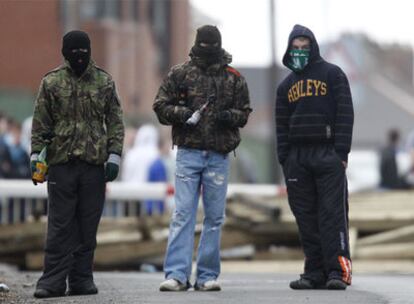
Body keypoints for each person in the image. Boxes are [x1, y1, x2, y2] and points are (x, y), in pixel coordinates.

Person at [153, 25, 251, 291]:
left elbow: (244, 112)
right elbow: (160, 106)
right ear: (197, 44)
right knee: (183, 213)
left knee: (214, 217)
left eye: (212, 45)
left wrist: (229, 117)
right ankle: (177, 274)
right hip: (189, 153)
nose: (208, 49)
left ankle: (207, 275)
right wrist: (183, 114)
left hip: (218, 155)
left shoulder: (233, 78)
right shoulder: (180, 74)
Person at [30, 30, 124, 298]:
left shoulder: (105, 82)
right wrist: (36, 156)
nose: (79, 56)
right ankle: (52, 282)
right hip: (61, 163)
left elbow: (115, 121)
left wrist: (114, 155)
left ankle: (82, 279)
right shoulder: (51, 83)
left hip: (94, 165)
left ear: (90, 51)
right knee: (60, 226)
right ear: (64, 52)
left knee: (87, 225)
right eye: (74, 52)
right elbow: (41, 123)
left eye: (84, 51)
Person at [275, 24, 354, 290]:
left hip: (327, 154)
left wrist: (341, 153)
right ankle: (314, 272)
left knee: (331, 215)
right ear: (289, 50)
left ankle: (338, 272)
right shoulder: (285, 86)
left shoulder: (333, 74)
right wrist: (285, 160)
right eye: (295, 48)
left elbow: (345, 113)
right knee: (306, 217)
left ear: (313, 47)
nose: (299, 52)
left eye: (303, 47)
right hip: (298, 158)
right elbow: (281, 125)